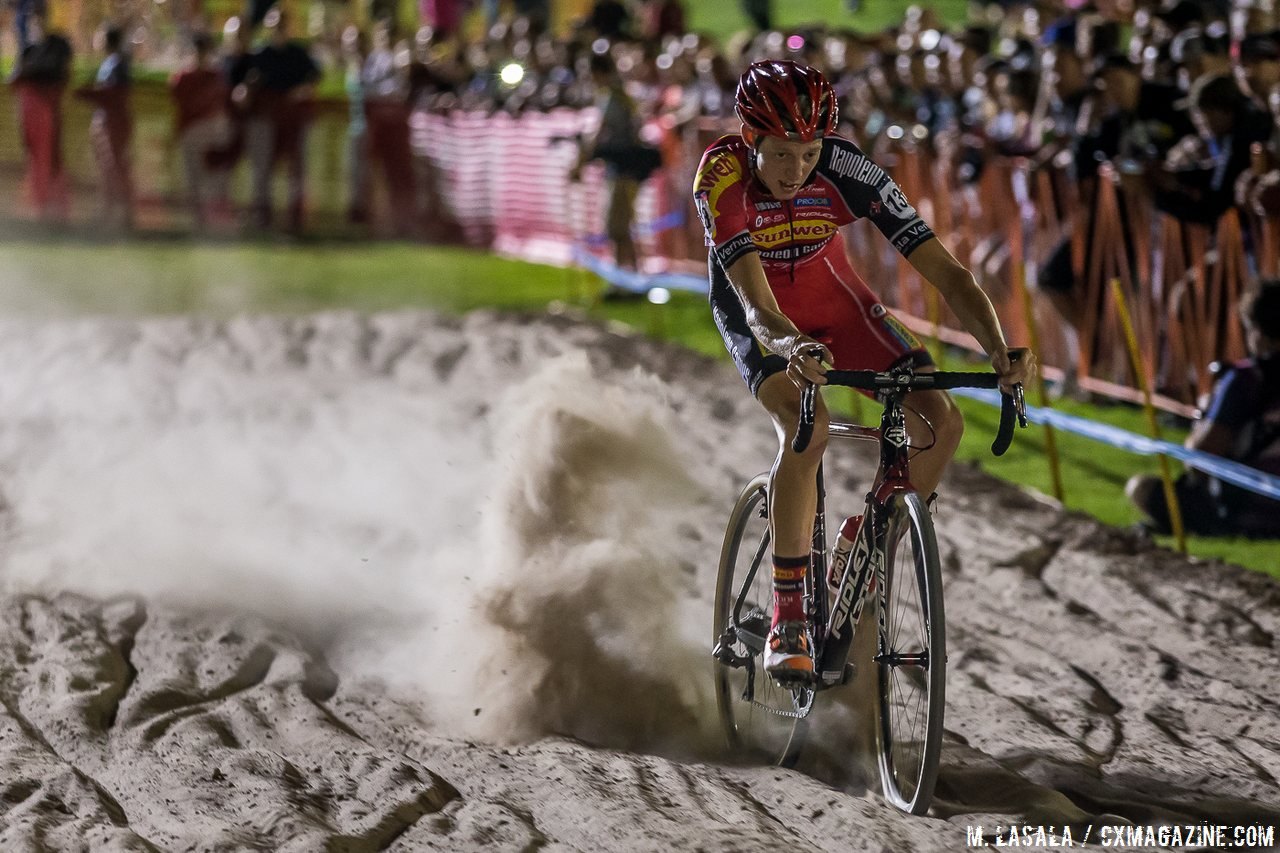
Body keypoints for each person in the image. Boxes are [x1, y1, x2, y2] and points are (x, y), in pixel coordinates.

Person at [693, 60, 1034, 679]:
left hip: (840, 307)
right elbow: (755, 307)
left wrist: (999, 348)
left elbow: (949, 272)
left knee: (944, 423)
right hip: (761, 319)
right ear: (750, 140)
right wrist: (791, 346)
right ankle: (788, 614)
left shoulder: (849, 170)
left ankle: (863, 542)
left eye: (809, 152)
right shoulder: (722, 177)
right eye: (781, 156)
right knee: (809, 427)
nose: (798, 170)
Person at [1127, 280, 1280, 538]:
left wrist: (1203, 418)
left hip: (1244, 510)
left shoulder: (1247, 378)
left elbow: (1200, 458)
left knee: (1140, 488)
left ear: (1258, 331)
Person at [243, 8, 320, 233]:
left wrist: (301, 91)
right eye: (274, 26)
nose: (278, 30)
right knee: (263, 166)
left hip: (294, 119)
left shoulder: (298, 54)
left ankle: (295, 217)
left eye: (281, 26)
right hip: (267, 117)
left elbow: (314, 77)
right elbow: (248, 81)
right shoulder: (260, 54)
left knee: (296, 167)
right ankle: (262, 212)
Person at [8, 7, 70, 222]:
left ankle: (56, 206)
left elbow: (59, 73)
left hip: (48, 108)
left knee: (51, 156)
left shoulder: (57, 45)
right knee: (36, 157)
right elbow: (15, 78)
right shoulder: (30, 49)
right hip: (30, 110)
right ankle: (41, 205)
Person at [169, 30, 232, 230]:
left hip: (208, 134)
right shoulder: (184, 78)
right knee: (194, 178)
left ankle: (212, 217)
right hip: (192, 133)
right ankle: (200, 219)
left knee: (210, 178)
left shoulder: (214, 77)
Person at [75, 23, 133, 230]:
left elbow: (114, 95)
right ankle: (108, 211)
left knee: (115, 167)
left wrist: (86, 94)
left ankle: (123, 213)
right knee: (107, 169)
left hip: (114, 124)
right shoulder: (109, 63)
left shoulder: (118, 64)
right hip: (105, 122)